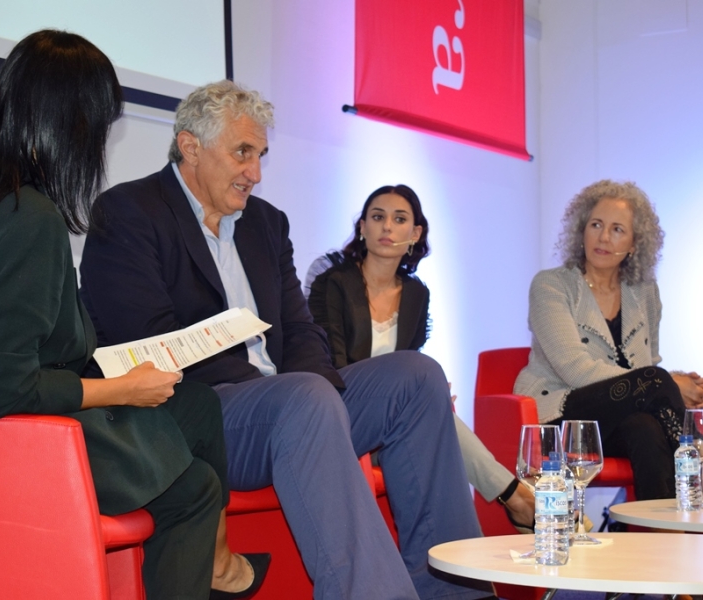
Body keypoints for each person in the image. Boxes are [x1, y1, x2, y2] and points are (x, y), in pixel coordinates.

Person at [79, 80, 492, 600]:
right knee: (303, 397)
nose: (255, 172)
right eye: (243, 153)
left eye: (261, 156)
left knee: (416, 376)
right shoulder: (130, 212)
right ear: (190, 147)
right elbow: (143, 339)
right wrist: (295, 392)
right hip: (203, 413)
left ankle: (453, 592)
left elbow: (300, 330)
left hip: (297, 406)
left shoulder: (266, 224)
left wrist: (324, 397)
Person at [0, 30, 258, 600]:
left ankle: (213, 561)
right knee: (195, 491)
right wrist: (122, 391)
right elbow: (6, 388)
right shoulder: (30, 218)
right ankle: (207, 557)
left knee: (194, 404)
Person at [305, 184, 535, 532]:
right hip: (346, 410)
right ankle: (517, 498)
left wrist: (427, 393)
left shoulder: (416, 293)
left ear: (414, 234)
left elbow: (410, 360)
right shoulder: (332, 283)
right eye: (377, 217)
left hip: (397, 419)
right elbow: (332, 368)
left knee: (435, 413)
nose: (386, 227)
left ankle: (507, 514)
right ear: (362, 228)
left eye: (399, 220)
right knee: (432, 414)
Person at [514, 179, 703, 501]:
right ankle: (695, 466)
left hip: (621, 417)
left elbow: (648, 363)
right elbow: (574, 368)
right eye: (596, 225)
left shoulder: (644, 291)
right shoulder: (551, 285)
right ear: (581, 230)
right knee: (657, 381)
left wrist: (661, 382)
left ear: (634, 243)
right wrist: (668, 382)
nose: (603, 237)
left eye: (617, 229)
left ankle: (661, 538)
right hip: (561, 413)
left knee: (645, 428)